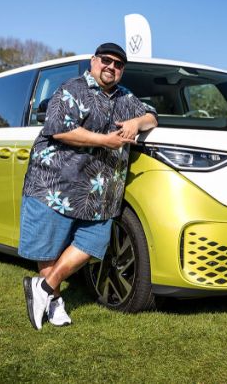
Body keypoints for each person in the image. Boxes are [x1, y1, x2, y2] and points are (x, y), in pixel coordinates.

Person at [19, 42, 157, 330]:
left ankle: (43, 289)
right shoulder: (72, 89)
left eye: (118, 65)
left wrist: (136, 121)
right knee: (48, 249)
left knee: (93, 245)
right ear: (94, 61)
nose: (111, 67)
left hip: (100, 192)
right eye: (106, 60)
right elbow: (59, 128)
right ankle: (55, 303)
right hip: (55, 184)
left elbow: (152, 116)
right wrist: (106, 140)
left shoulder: (124, 97)